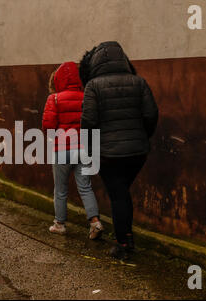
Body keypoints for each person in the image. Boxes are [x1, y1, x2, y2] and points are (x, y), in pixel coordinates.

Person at [79, 41, 159, 260]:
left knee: (118, 195)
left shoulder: (93, 86)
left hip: (108, 154)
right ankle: (127, 236)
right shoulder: (139, 82)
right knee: (122, 193)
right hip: (137, 152)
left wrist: (90, 150)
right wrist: (142, 137)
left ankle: (122, 243)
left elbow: (88, 122)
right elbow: (151, 115)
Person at [42, 61, 103, 239]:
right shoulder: (86, 97)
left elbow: (48, 125)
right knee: (85, 187)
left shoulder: (54, 99)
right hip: (83, 149)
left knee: (60, 189)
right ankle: (95, 222)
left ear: (58, 80)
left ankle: (60, 224)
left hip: (62, 149)